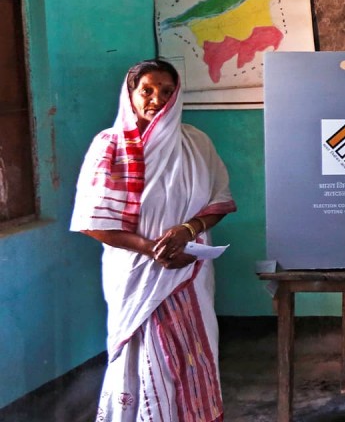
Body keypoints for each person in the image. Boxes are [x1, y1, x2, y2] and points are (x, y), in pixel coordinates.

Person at [71, 59, 237, 422]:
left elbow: (220, 201)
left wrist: (187, 231)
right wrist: (151, 249)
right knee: (149, 357)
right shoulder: (110, 146)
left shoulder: (195, 143)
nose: (156, 99)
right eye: (147, 90)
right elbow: (91, 221)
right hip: (137, 272)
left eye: (166, 91)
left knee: (194, 351)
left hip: (189, 271)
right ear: (131, 94)